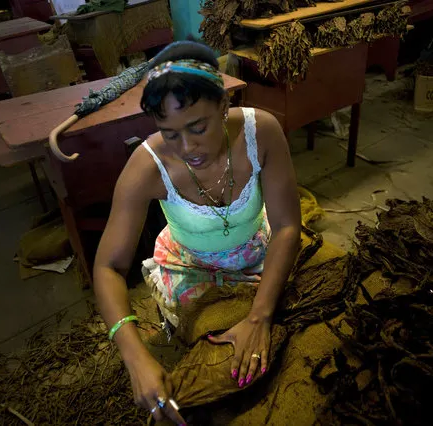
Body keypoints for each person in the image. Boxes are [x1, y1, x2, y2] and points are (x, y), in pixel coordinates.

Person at [93, 41, 301, 424]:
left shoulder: (261, 132)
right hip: (192, 270)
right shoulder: (148, 167)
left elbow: (288, 226)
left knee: (288, 333)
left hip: (258, 252)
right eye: (169, 133)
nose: (187, 147)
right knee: (227, 370)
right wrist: (135, 356)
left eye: (198, 127)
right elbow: (107, 267)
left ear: (224, 105)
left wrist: (259, 317)